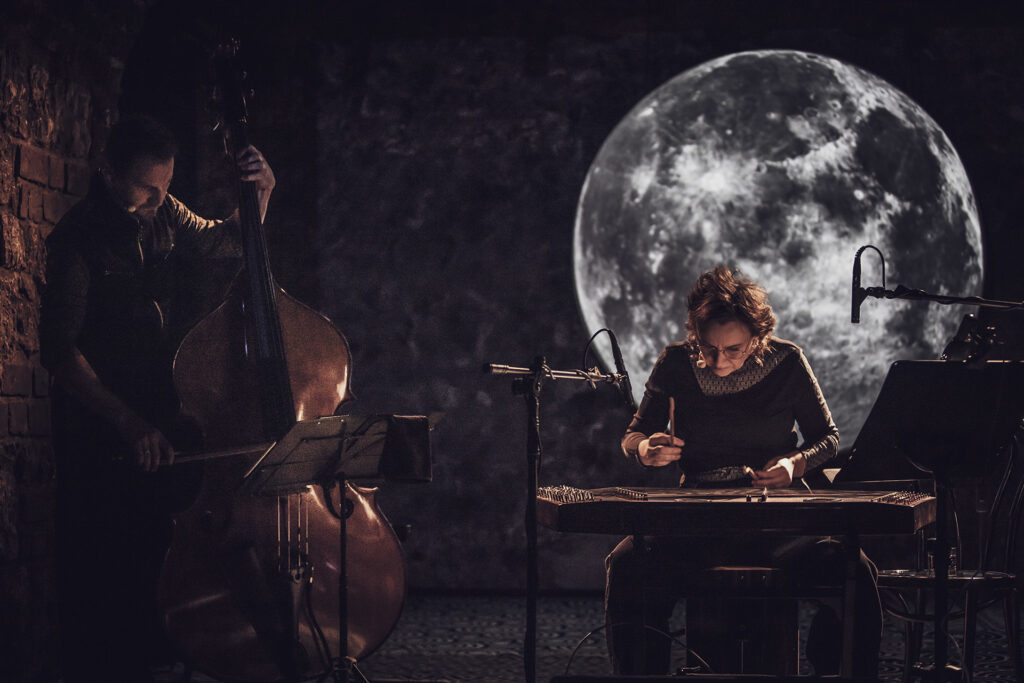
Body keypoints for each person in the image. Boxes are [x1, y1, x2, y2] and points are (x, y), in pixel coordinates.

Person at [40, 114, 275, 682]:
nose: (159, 200)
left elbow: (224, 242)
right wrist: (128, 424)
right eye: (147, 188)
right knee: (109, 577)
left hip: (161, 414)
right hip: (102, 429)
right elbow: (59, 353)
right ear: (108, 173)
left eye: (165, 187)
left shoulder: (163, 210)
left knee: (160, 553)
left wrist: (259, 198)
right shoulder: (76, 241)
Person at [604, 265, 881, 677]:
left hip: (779, 520)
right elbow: (634, 434)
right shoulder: (677, 362)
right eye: (708, 347)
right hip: (698, 518)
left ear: (758, 338)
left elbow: (829, 437)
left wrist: (793, 464)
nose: (718, 360)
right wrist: (646, 448)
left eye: (733, 349)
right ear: (695, 334)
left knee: (856, 573)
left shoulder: (788, 361)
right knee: (626, 566)